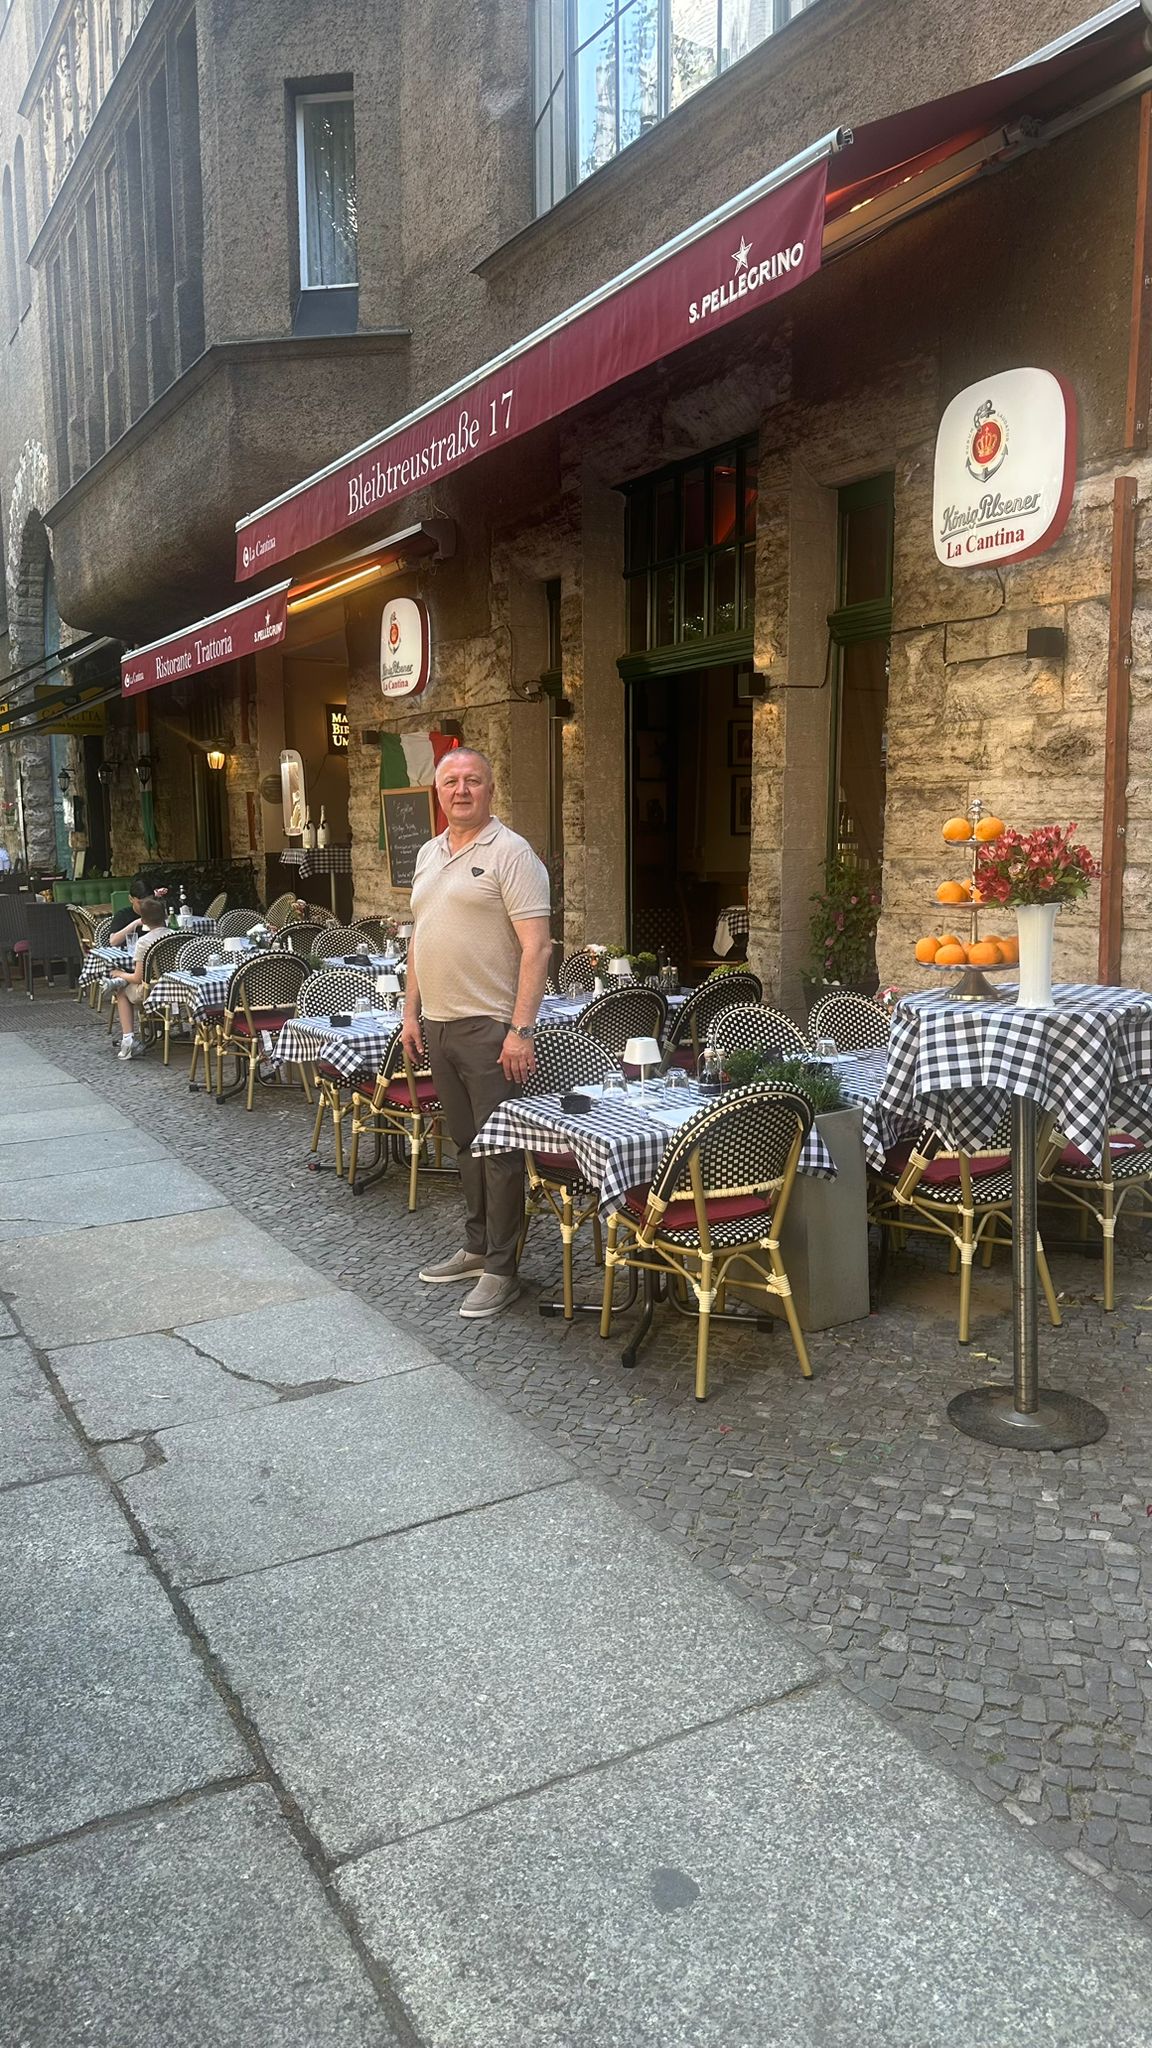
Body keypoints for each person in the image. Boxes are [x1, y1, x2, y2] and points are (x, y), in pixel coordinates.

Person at [402, 748, 552, 1319]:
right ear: (437, 793)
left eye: (472, 781)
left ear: (491, 788)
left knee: (501, 1154)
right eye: (451, 782)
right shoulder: (427, 853)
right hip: (437, 1024)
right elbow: (419, 937)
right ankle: (475, 1246)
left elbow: (537, 947)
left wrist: (520, 1030)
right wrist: (411, 1012)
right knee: (466, 1145)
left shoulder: (512, 854)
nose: (461, 790)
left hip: (490, 1028)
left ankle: (502, 1269)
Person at [107, 896, 169, 1060]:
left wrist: (119, 974)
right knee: (125, 983)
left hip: (152, 990)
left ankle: (128, 1040)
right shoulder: (175, 935)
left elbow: (137, 977)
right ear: (165, 916)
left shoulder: (144, 942)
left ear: (143, 921)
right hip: (172, 987)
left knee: (121, 989)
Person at [109, 877, 150, 942]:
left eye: (148, 902)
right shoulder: (123, 914)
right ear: (131, 899)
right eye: (140, 903)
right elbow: (113, 941)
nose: (144, 906)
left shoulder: (155, 912)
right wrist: (136, 923)